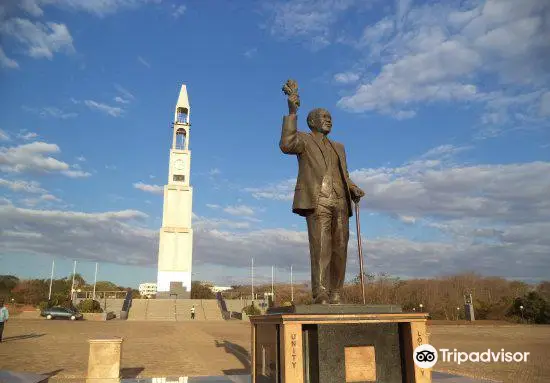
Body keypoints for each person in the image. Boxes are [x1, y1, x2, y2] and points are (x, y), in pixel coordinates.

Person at [280, 80, 365, 304]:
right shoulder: (304, 140)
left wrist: (353, 187)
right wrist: (291, 111)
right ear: (312, 122)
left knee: (340, 248)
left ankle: (336, 292)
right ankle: (321, 293)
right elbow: (286, 144)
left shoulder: (339, 147)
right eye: (324, 117)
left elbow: (344, 174)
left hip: (340, 201)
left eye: (330, 118)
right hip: (318, 200)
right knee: (321, 247)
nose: (328, 120)